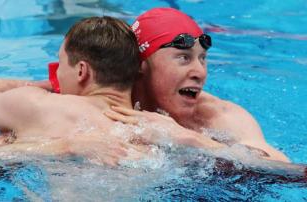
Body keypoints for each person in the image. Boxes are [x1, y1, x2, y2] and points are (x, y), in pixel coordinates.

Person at [0, 16, 155, 165]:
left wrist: (41, 85)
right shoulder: (158, 127)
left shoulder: (41, 105)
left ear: (82, 70)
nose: (57, 73)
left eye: (61, 63)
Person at [105, 8, 289, 163]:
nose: (200, 72)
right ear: (139, 64)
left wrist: (189, 139)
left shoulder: (219, 117)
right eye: (184, 57)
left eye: (203, 58)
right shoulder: (102, 107)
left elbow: (287, 171)